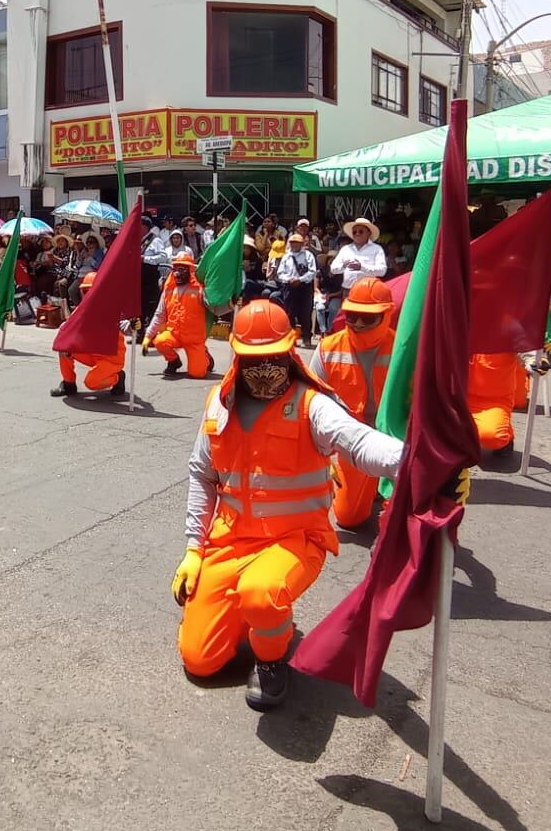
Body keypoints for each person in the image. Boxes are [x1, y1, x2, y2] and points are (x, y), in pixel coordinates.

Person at [172, 300, 431, 712]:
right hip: (231, 540)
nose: (264, 368)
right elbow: (202, 474)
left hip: (294, 540)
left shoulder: (312, 404)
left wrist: (420, 462)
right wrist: (192, 549)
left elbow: (358, 441)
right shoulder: (219, 404)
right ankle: (253, 616)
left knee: (262, 592)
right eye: (253, 359)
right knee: (200, 660)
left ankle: (271, 658)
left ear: (290, 351)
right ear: (236, 353)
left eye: (273, 358)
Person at [312, 277, 396, 528]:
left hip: (396, 438)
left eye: (368, 318)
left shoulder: (405, 348)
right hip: (353, 440)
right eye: (352, 316)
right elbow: (311, 402)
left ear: (387, 315)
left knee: (401, 523)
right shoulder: (328, 347)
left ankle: (384, 491)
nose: (358, 323)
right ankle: (363, 489)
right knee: (349, 518)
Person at [50, 270, 128, 400]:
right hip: (92, 353)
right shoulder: (81, 310)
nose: (89, 295)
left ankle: (118, 377)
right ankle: (68, 383)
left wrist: (132, 325)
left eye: (92, 291)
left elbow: (124, 324)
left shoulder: (111, 309)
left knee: (91, 383)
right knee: (64, 348)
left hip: (111, 358)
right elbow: (68, 326)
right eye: (86, 292)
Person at [144, 250, 213, 379]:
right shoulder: (168, 290)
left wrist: (232, 302)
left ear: (189, 270)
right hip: (174, 335)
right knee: (160, 341)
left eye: (181, 269)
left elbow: (214, 305)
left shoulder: (200, 290)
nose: (177, 273)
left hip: (194, 339)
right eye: (175, 268)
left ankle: (204, 355)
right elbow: (159, 315)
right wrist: (148, 336)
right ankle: (174, 361)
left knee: (197, 373)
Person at [276, 231, 318, 348]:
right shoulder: (286, 256)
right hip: (289, 286)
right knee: (289, 313)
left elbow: (312, 271)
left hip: (304, 287)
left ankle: (306, 338)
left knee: (305, 313)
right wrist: (289, 279)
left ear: (302, 243)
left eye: (297, 243)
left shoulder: (308, 255)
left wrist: (300, 279)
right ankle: (291, 339)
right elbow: (280, 273)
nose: (294, 245)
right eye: (292, 243)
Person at [332, 217, 386, 291]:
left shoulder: (377, 249)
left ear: (369, 233)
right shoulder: (345, 249)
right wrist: (344, 266)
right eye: (354, 232)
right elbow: (333, 269)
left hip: (368, 290)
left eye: (361, 231)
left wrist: (361, 267)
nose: (357, 234)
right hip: (348, 290)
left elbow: (382, 271)